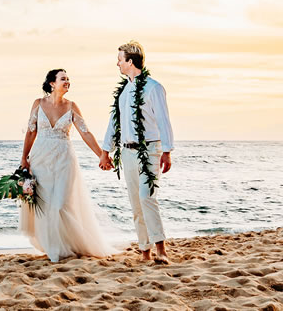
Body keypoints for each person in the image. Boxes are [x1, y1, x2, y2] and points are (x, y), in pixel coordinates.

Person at [18, 68, 113, 262]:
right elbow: (30, 132)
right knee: (43, 205)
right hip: (40, 159)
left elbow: (85, 133)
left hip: (64, 159)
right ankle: (54, 248)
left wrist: (102, 156)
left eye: (68, 79)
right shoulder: (38, 104)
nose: (67, 81)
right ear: (52, 83)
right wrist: (24, 158)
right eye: (63, 79)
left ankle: (69, 244)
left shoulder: (72, 106)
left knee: (61, 204)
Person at [102, 40, 174, 264]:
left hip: (150, 150)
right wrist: (106, 151)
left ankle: (161, 248)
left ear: (130, 61)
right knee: (135, 202)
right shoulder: (123, 92)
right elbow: (115, 122)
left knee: (147, 198)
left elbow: (163, 120)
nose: (117, 64)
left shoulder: (154, 88)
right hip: (127, 153)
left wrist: (167, 151)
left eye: (120, 59)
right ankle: (145, 250)